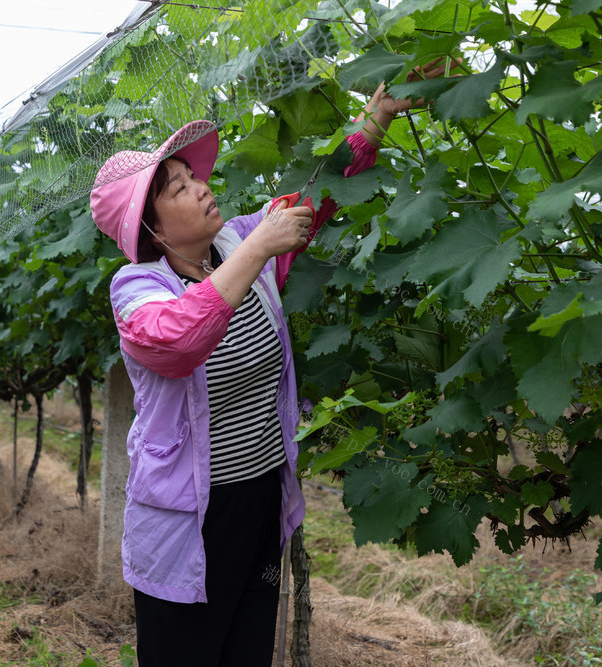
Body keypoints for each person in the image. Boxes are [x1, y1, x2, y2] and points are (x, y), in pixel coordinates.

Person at [89, 64, 456, 665]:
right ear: (152, 229)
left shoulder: (236, 241)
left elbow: (318, 197)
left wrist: (378, 116)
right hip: (190, 517)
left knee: (247, 650)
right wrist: (260, 245)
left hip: (259, 495)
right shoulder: (137, 288)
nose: (202, 186)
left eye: (192, 176)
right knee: (185, 654)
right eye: (178, 188)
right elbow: (177, 342)